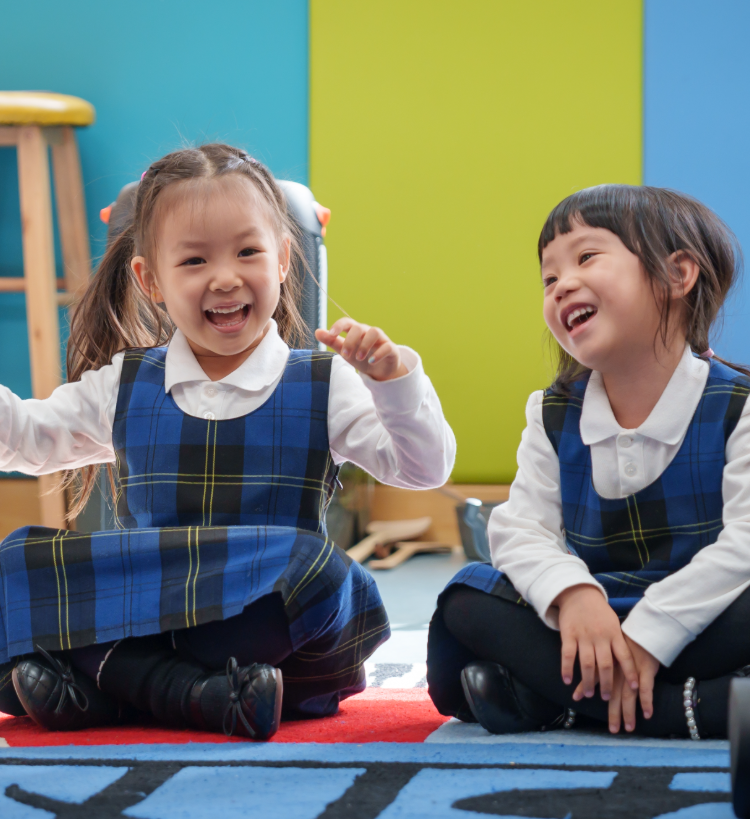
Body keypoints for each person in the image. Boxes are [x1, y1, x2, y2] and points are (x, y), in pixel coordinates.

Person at [0, 143, 455, 740]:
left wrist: (394, 383)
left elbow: (424, 469)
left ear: (283, 258)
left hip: (270, 632)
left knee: (317, 569)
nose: (224, 277)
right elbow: (27, 438)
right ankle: (195, 696)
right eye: (194, 260)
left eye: (247, 252)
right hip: (153, 611)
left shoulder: (325, 382)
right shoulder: (125, 384)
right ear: (150, 280)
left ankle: (114, 686)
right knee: (14, 564)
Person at [428, 184, 750, 739]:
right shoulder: (552, 414)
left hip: (702, 618)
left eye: (586, 257)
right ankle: (699, 708)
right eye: (549, 277)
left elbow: (744, 544)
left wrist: (653, 633)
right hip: (587, 630)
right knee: (466, 597)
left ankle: (555, 702)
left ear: (678, 275)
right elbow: (521, 530)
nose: (562, 285)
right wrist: (572, 595)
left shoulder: (737, 406)